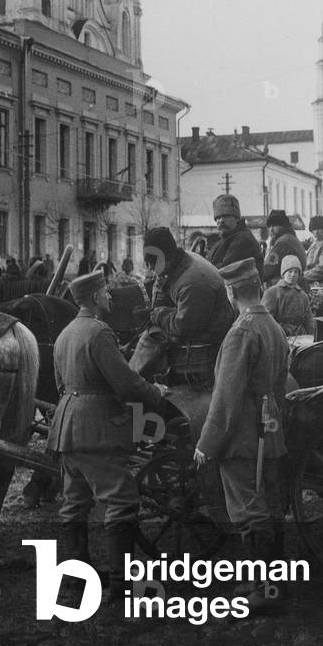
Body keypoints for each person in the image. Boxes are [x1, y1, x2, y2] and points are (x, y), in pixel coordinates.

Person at [46, 269, 170, 600]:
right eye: (105, 293)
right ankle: (119, 582)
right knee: (121, 499)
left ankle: (76, 579)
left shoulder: (65, 334)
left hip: (66, 427)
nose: (110, 298)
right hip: (97, 429)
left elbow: (61, 384)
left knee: (74, 503)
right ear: (96, 298)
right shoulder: (100, 332)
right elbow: (125, 382)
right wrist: (156, 393)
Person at [194, 257, 289, 613]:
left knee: (248, 510)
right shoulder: (273, 326)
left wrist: (207, 443)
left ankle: (263, 591)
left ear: (232, 291)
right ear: (259, 288)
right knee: (270, 505)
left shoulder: (241, 332)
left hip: (244, 437)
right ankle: (271, 583)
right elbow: (280, 385)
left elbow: (226, 395)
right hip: (270, 430)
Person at [130, 227, 234, 377]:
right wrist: (155, 310)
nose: (151, 268)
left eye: (153, 263)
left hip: (211, 332)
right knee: (151, 328)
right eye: (148, 263)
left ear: (168, 256)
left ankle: (131, 380)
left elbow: (183, 327)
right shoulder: (178, 260)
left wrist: (157, 315)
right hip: (199, 317)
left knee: (153, 336)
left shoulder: (193, 283)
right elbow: (160, 284)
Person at [206, 194, 263, 278]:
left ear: (236, 218)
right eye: (218, 218)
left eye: (226, 216)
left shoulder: (243, 239)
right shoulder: (225, 238)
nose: (221, 221)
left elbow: (225, 268)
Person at [262, 254, 314, 335]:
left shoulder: (303, 296)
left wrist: (312, 339)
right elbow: (266, 321)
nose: (293, 275)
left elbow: (309, 322)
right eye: (290, 271)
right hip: (278, 336)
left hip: (300, 338)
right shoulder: (272, 293)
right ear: (283, 273)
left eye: (296, 272)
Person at [262, 210, 307, 289]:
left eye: (275, 225)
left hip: (286, 289)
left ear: (284, 226)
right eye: (269, 226)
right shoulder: (291, 238)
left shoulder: (283, 243)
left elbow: (267, 271)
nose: (271, 229)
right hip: (296, 285)